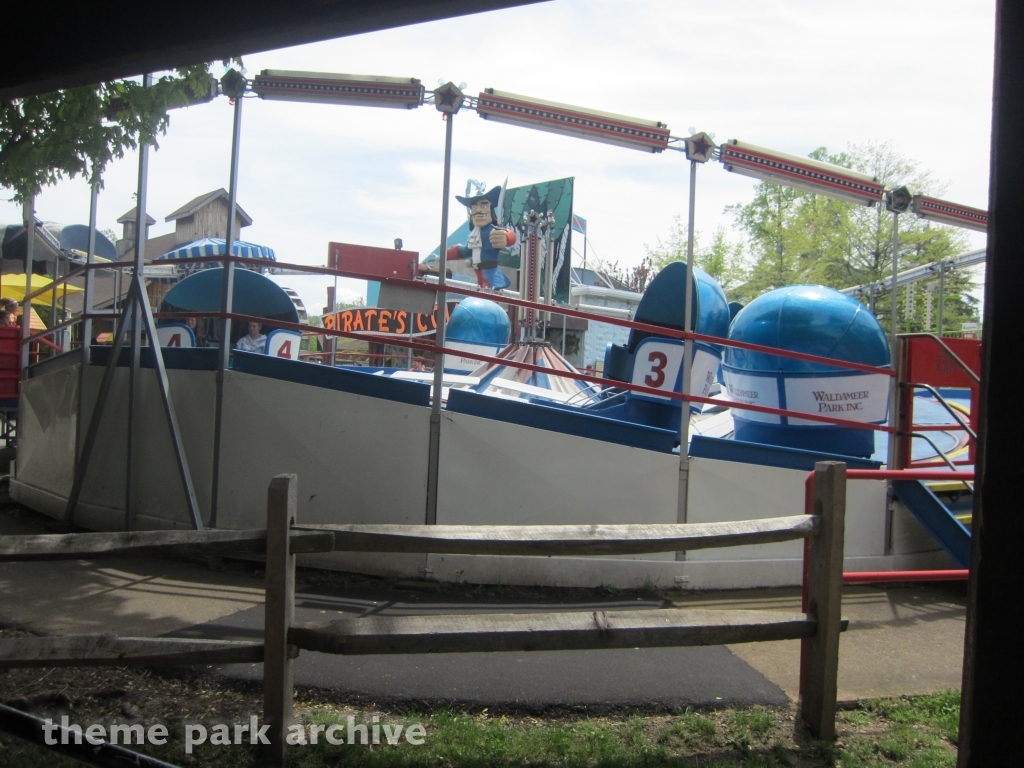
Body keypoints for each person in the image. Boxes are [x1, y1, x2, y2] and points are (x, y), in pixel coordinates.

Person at [445, 185, 516, 290]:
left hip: (491, 276)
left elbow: (509, 236)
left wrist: (506, 236)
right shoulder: (475, 235)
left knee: (488, 299)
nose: (478, 210)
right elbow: (465, 251)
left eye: (483, 206)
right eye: (473, 207)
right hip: (479, 276)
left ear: (490, 210)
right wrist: (445, 255)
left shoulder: (492, 231)